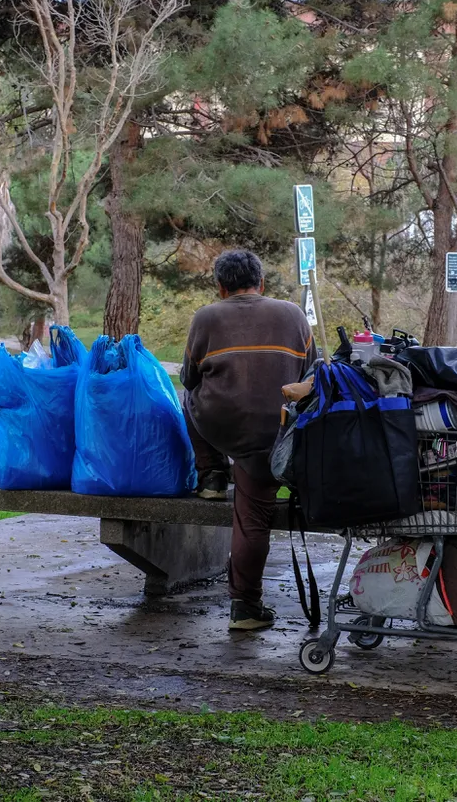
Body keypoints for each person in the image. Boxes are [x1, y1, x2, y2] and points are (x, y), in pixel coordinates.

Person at [181, 249, 314, 631]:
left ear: (220, 287)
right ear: (262, 283)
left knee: (184, 398)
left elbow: (190, 379)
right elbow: (309, 374)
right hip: (282, 431)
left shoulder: (206, 317)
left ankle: (211, 475)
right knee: (254, 515)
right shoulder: (292, 313)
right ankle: (245, 610)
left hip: (226, 431)